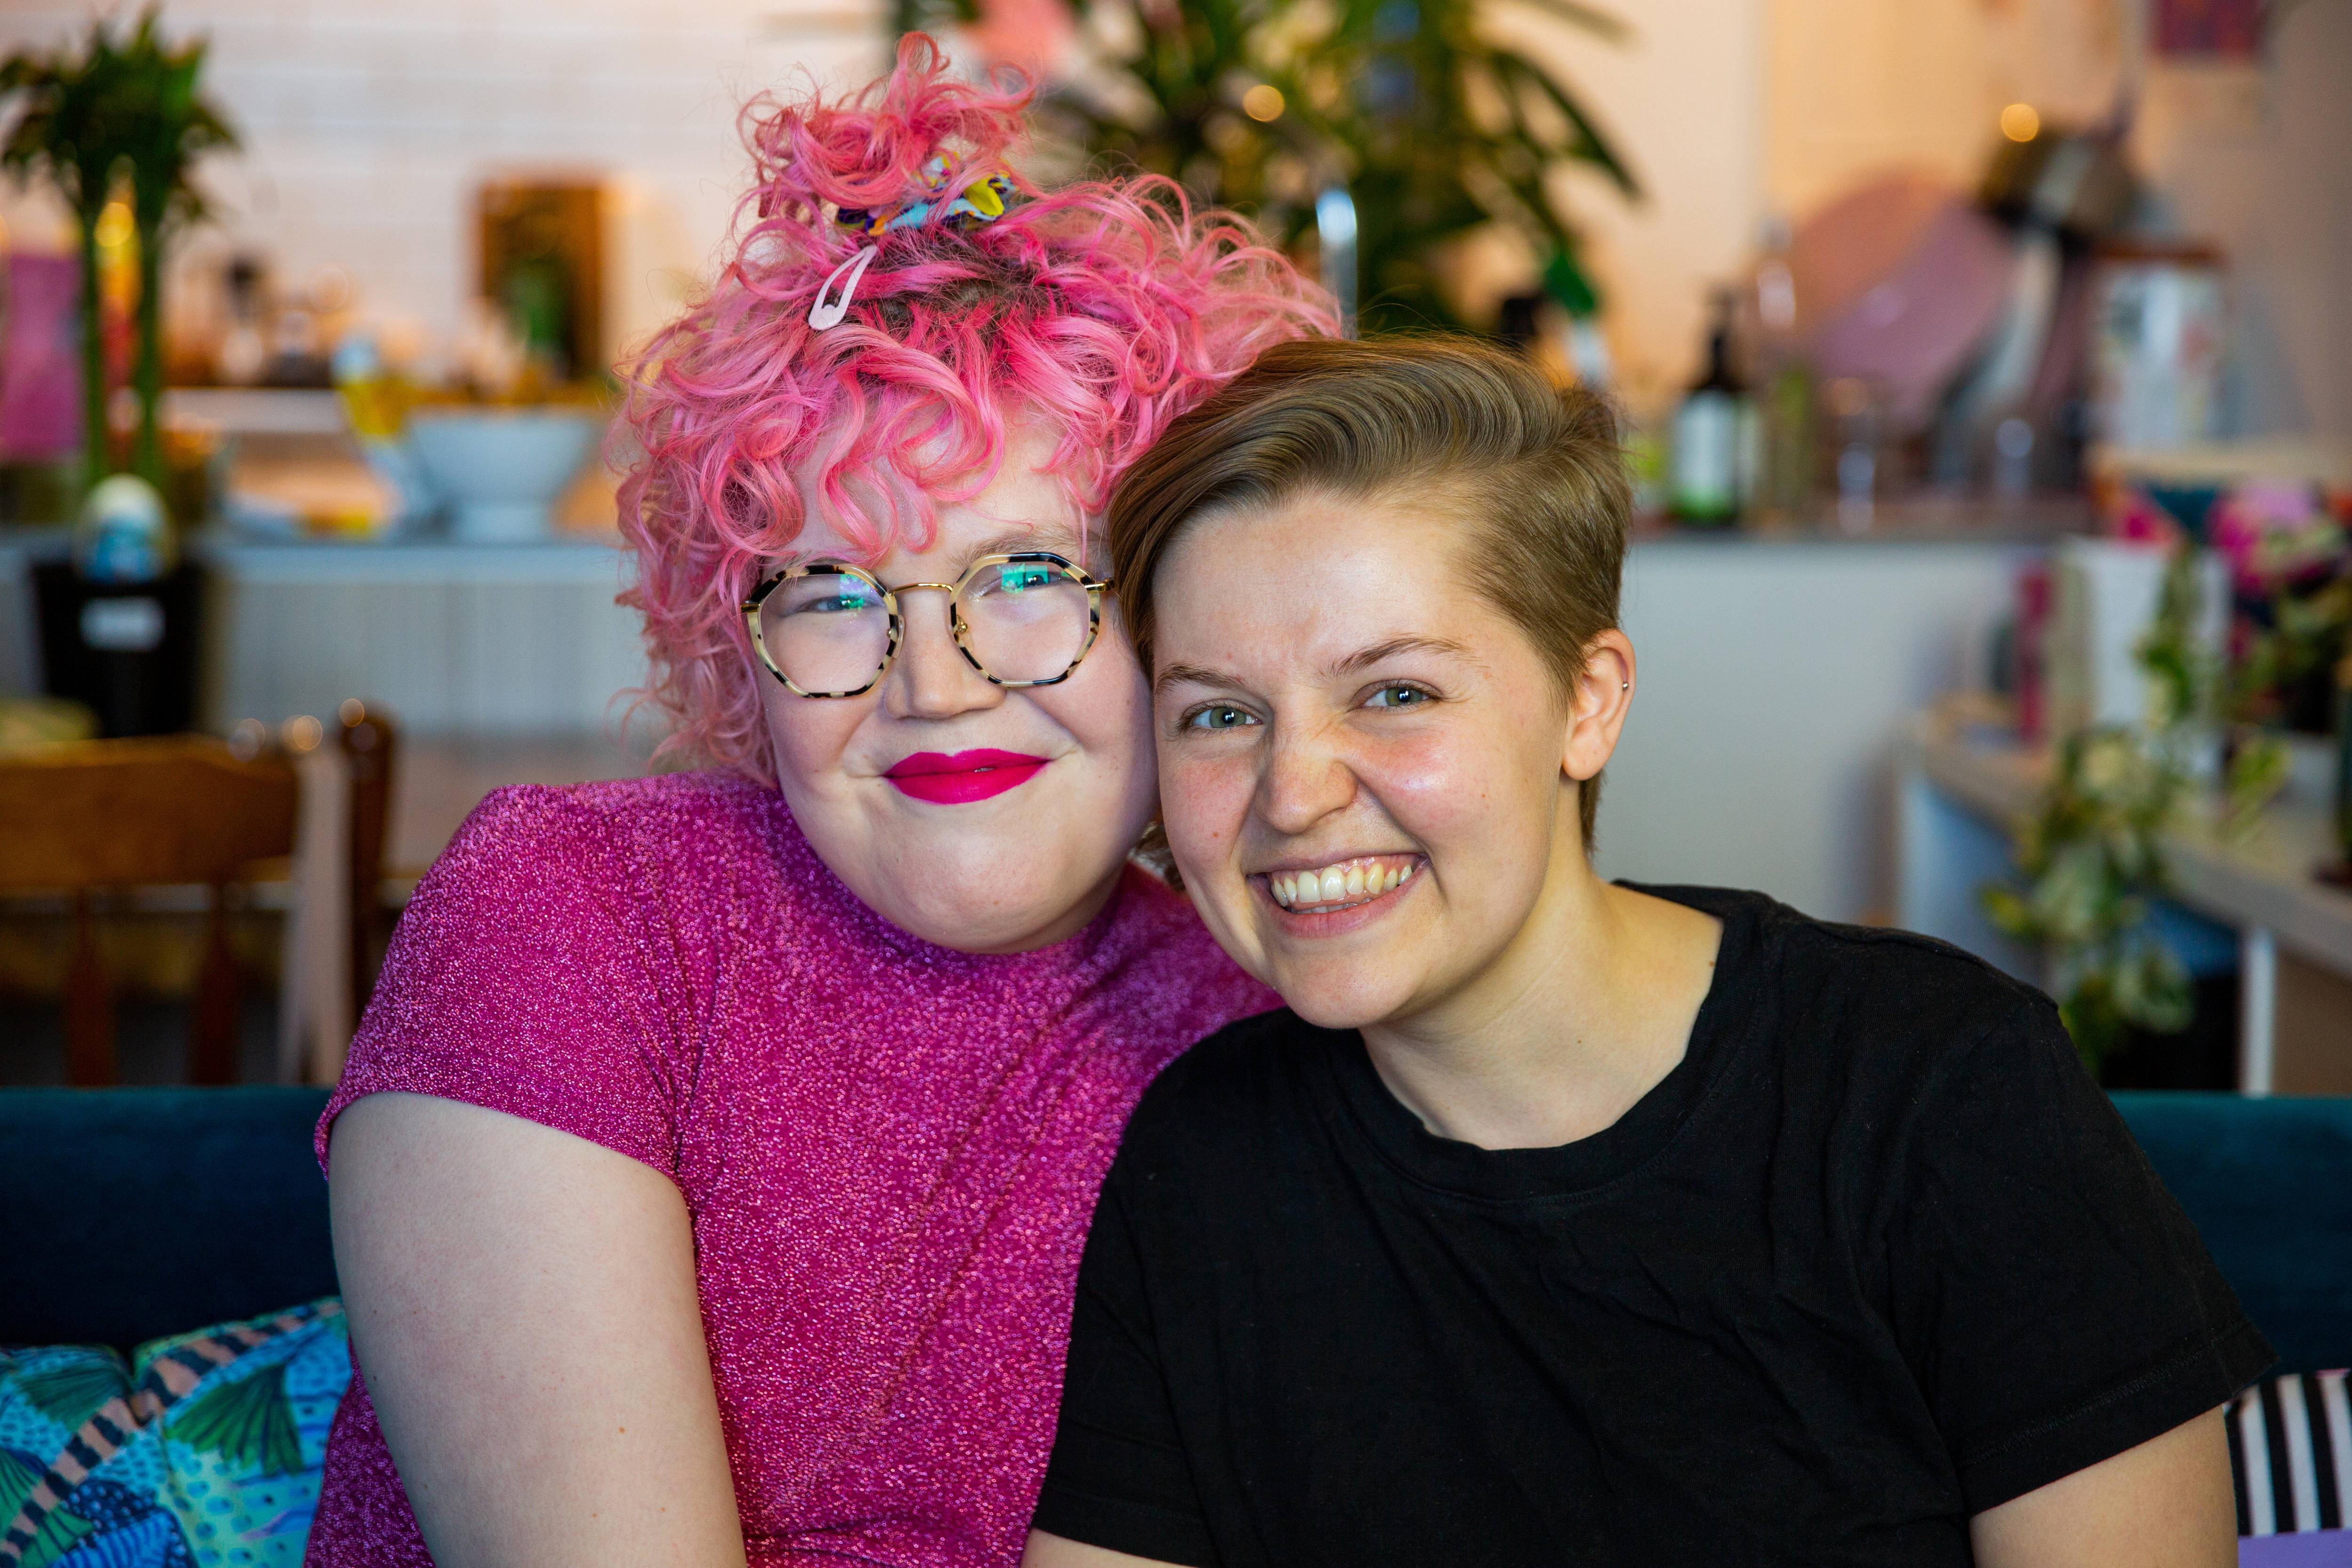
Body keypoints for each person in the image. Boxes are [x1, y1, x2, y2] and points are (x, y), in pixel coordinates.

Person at [313, 40, 1327, 1568]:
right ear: (740, 639)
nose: (935, 682)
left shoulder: (1267, 1027)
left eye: (1033, 578)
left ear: (1184, 617)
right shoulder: (573, 912)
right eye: (839, 592)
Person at [1022, 337, 2268, 1568]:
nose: (1290, 794)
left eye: (1394, 692)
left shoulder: (1939, 1092)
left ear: (1588, 702)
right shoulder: (1203, 1169)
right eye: (1219, 716)